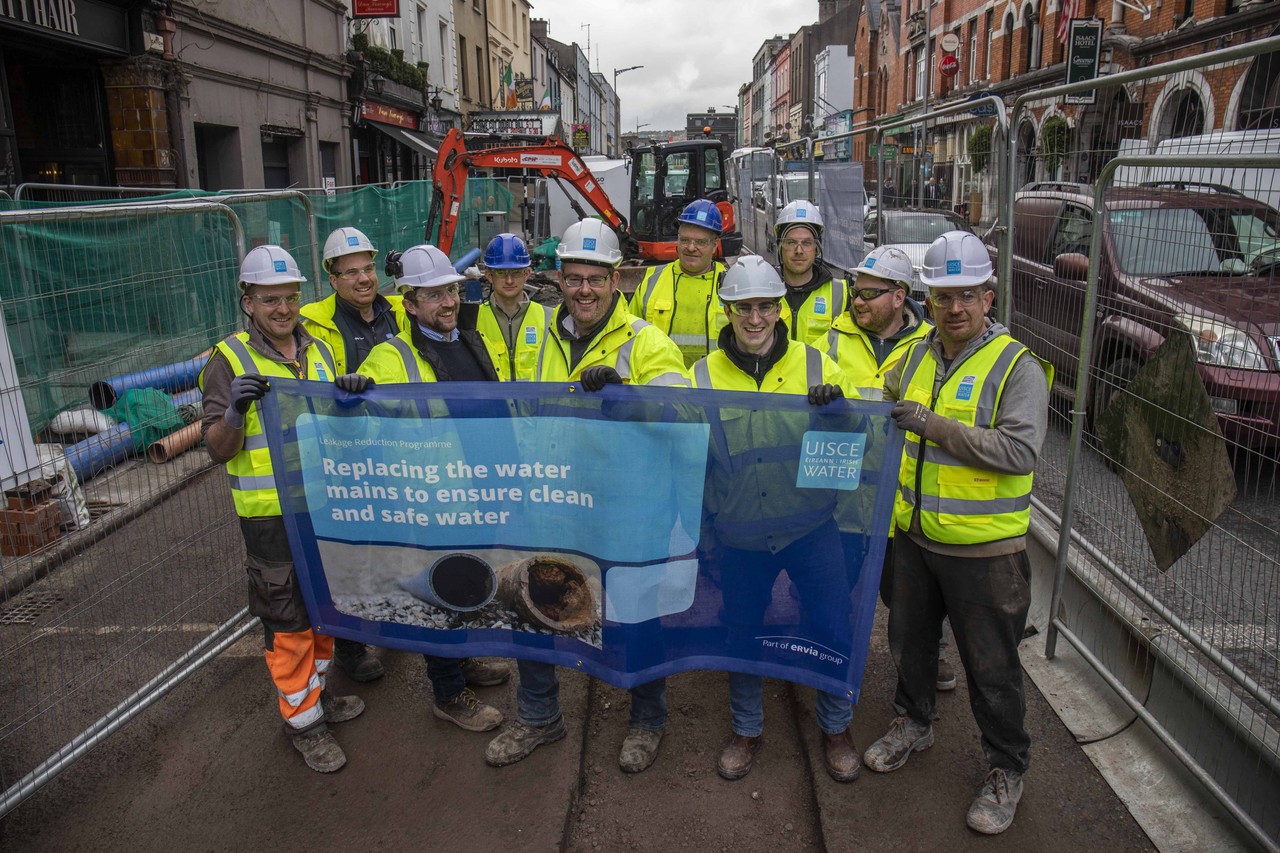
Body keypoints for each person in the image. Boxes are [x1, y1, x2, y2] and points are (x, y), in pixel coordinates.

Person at [863, 231, 1051, 836]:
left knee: (991, 668)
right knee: (910, 645)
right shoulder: (917, 353)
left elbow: (1019, 451)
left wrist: (933, 426)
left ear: (989, 297)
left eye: (967, 295)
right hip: (916, 537)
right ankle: (913, 724)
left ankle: (1006, 768)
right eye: (943, 296)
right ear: (930, 299)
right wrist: (835, 402)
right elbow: (878, 398)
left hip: (985, 552)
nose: (955, 308)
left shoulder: (1017, 366)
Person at [485, 218, 689, 774]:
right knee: (531, 610)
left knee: (634, 618)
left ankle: (647, 718)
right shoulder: (537, 334)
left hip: (625, 513)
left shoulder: (646, 342)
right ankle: (539, 715)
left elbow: (686, 415)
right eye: (574, 278)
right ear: (559, 278)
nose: (584, 290)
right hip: (551, 505)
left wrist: (629, 396)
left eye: (595, 279)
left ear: (615, 279)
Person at [688, 255, 863, 783]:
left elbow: (861, 444)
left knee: (832, 625)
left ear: (780, 308)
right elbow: (686, 456)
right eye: (744, 307)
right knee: (742, 632)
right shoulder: (700, 377)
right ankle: (746, 728)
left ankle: (836, 726)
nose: (756, 318)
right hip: (738, 535)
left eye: (765, 306)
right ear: (727, 310)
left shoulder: (817, 367)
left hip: (812, 529)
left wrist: (844, 414)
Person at [199, 245, 364, 773]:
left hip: (321, 507)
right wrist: (234, 411)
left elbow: (338, 429)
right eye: (270, 300)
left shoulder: (317, 351)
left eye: (290, 298)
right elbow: (218, 447)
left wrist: (351, 396)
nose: (282, 309)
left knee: (321, 610)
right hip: (269, 517)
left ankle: (316, 696)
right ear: (247, 302)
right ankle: (304, 724)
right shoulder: (227, 361)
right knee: (288, 621)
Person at [353, 243, 513, 730]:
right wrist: (351, 398)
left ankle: (461, 661)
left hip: (474, 493)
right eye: (433, 295)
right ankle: (447, 694)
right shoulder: (389, 359)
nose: (447, 302)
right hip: (427, 504)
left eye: (450, 290)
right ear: (409, 304)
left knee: (465, 587)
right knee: (439, 594)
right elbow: (359, 429)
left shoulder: (468, 339)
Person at [826, 247, 955, 689]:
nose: (857, 301)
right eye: (854, 292)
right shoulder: (830, 339)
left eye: (869, 293)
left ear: (900, 296)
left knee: (910, 601)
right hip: (841, 499)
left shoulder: (931, 348)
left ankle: (927, 663)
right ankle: (830, 659)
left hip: (903, 502)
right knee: (833, 591)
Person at [300, 226, 408, 683]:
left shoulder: (399, 310)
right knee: (346, 553)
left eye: (367, 269)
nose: (363, 279)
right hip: (343, 455)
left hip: (395, 447)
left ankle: (391, 619)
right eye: (351, 272)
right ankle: (350, 642)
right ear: (332, 277)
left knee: (392, 544)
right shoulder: (311, 322)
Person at [628, 199, 728, 367]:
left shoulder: (730, 285)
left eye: (701, 242)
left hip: (715, 386)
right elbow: (628, 335)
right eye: (685, 240)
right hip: (660, 382)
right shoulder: (652, 281)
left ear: (714, 245)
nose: (690, 247)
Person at [472, 233, 553, 381]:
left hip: (535, 403)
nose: (509, 281)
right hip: (493, 403)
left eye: (516, 273)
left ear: (527, 273)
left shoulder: (549, 318)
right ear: (489, 275)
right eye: (501, 273)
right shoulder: (473, 320)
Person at [774, 201, 846, 347]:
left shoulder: (841, 295)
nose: (799, 250)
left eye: (806, 243)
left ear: (817, 248)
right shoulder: (764, 289)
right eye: (791, 242)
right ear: (780, 247)